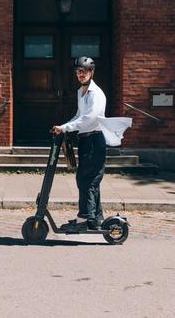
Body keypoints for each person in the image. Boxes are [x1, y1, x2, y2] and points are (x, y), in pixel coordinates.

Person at [52, 56, 133, 231]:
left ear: (91, 72)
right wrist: (63, 127)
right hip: (85, 140)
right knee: (88, 180)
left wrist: (66, 127)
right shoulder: (81, 92)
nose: (80, 75)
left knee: (87, 180)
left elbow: (89, 118)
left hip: (95, 140)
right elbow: (79, 115)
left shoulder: (96, 94)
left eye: (84, 71)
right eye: (78, 72)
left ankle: (84, 219)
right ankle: (95, 218)